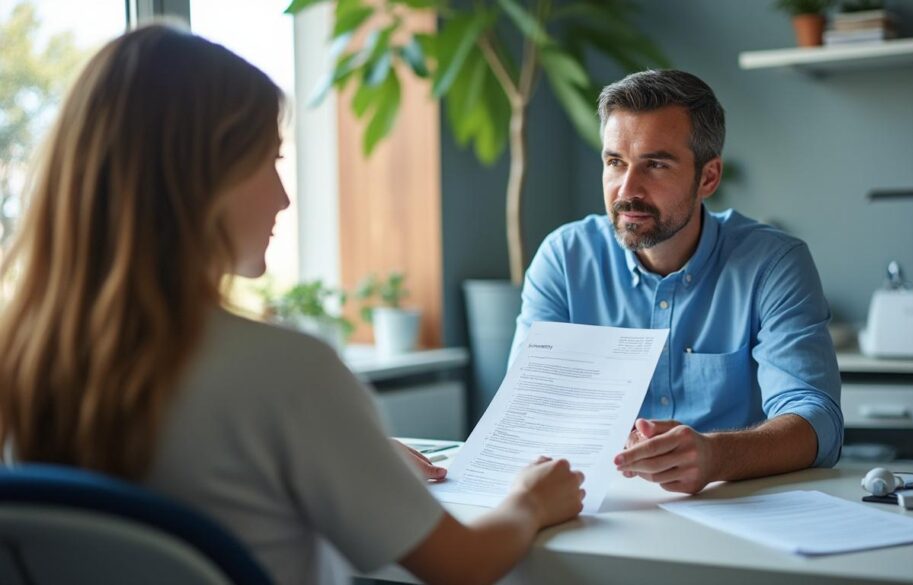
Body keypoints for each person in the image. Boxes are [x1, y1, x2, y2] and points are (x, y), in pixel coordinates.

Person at [0, 24, 584, 585]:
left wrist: (351, 453)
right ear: (198, 179)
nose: (283, 197)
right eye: (271, 160)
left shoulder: (20, 360)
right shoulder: (286, 374)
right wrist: (530, 502)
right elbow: (464, 565)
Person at [511, 69, 843, 495]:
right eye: (615, 162)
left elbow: (818, 420)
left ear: (708, 177)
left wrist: (715, 455)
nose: (626, 189)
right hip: (598, 507)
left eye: (655, 164)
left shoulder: (773, 263)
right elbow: (526, 409)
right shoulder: (564, 258)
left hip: (734, 505)